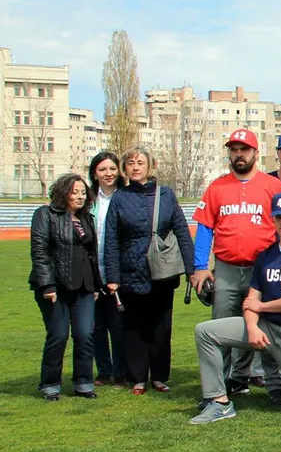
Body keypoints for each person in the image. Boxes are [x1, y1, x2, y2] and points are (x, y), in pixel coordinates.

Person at [190, 191, 281, 423]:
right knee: (205, 332)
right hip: (266, 327)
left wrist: (262, 306)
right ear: (273, 219)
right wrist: (252, 326)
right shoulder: (265, 255)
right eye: (279, 217)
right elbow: (250, 301)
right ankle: (219, 401)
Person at [191, 129, 281, 399]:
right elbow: (206, 228)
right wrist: (200, 266)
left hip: (262, 268)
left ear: (256, 153)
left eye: (244, 149)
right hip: (227, 268)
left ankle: (243, 377)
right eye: (234, 149)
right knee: (220, 325)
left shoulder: (272, 185)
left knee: (258, 325)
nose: (238, 154)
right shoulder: (217, 187)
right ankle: (218, 385)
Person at [104, 147, 195, 396]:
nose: (135, 167)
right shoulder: (120, 198)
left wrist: (192, 269)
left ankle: (160, 376)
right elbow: (111, 239)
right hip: (130, 270)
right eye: (131, 163)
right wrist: (112, 277)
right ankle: (137, 377)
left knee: (161, 326)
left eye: (140, 162)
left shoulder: (165, 195)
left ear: (151, 167)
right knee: (134, 327)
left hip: (162, 271)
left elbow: (182, 231)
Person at [29, 173, 100, 401]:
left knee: (85, 335)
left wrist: (96, 285)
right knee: (58, 335)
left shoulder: (86, 218)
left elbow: (92, 254)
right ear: (63, 193)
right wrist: (47, 284)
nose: (79, 197)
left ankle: (83, 382)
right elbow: (40, 252)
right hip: (56, 288)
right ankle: (50, 383)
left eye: (83, 192)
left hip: (84, 287)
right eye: (74, 192)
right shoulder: (46, 215)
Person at [88, 152, 125, 386]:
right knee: (96, 326)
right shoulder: (88, 200)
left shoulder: (125, 197)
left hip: (119, 270)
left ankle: (120, 372)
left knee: (119, 325)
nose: (108, 173)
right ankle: (103, 371)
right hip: (92, 270)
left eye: (112, 169)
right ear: (94, 173)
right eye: (103, 169)